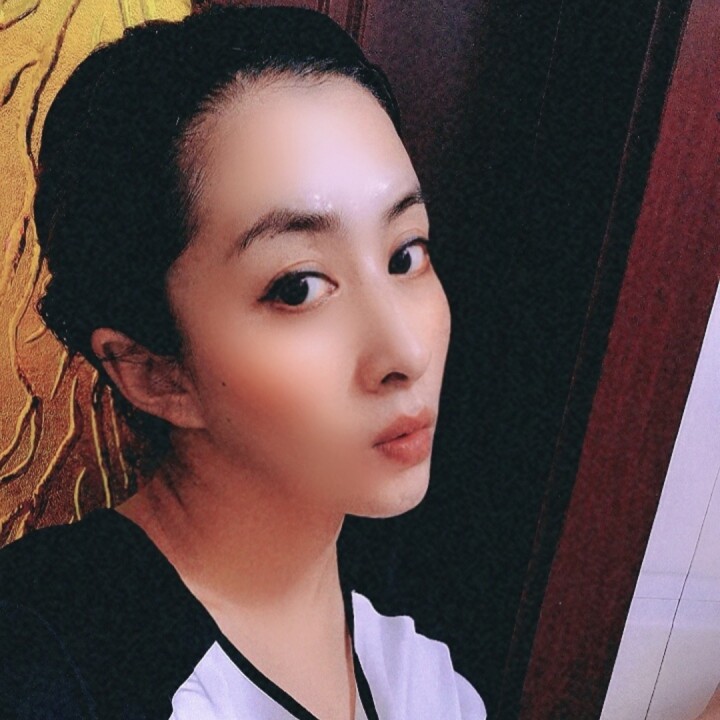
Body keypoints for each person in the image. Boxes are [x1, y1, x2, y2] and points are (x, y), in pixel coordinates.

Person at [0, 5, 486, 719]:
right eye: (299, 288)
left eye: (404, 254)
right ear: (152, 371)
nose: (405, 353)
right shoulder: (41, 667)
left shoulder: (421, 655)